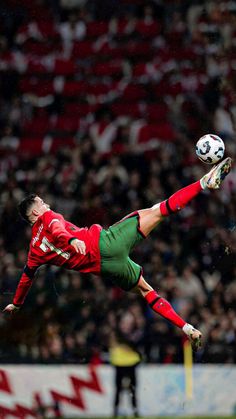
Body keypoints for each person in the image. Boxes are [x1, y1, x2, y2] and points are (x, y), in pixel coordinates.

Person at [3, 157, 232, 352]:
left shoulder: (34, 249)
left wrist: (16, 303)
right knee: (158, 210)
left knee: (146, 291)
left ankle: (186, 328)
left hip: (107, 268)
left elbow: (26, 277)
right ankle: (204, 182)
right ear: (35, 211)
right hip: (106, 243)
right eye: (42, 203)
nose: (47, 204)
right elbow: (58, 230)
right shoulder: (48, 217)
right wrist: (72, 239)